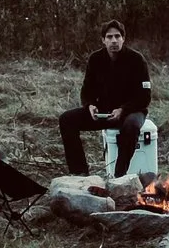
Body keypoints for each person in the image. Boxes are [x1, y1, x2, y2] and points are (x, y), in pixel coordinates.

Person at [59, 19, 153, 178]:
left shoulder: (137, 59)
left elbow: (145, 97)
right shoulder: (95, 59)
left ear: (124, 38)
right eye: (109, 37)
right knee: (66, 119)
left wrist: (123, 109)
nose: (114, 41)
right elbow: (86, 90)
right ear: (103, 40)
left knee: (131, 126)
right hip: (104, 112)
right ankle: (79, 173)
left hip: (131, 111)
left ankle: (118, 176)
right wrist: (89, 106)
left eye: (117, 36)